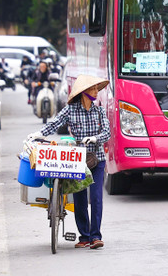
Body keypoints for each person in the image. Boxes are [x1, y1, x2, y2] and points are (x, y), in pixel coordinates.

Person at [33, 74, 111, 249]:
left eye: (96, 89)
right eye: (92, 89)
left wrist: (95, 138)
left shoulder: (100, 111)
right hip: (77, 160)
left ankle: (96, 236)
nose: (95, 92)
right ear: (84, 92)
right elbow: (55, 123)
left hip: (97, 159)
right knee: (80, 198)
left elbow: (107, 132)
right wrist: (40, 134)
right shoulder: (70, 110)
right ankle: (84, 236)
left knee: (96, 198)